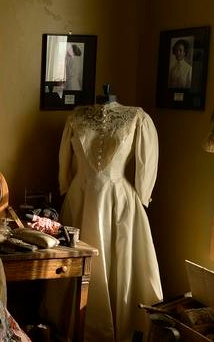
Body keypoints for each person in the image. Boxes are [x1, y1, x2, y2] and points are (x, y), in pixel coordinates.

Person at [48, 100, 162, 341]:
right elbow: (65, 161)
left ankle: (120, 326)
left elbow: (146, 162)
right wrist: (64, 183)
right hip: (80, 197)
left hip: (118, 201)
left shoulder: (136, 117)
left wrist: (144, 192)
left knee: (118, 262)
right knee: (73, 261)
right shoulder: (76, 117)